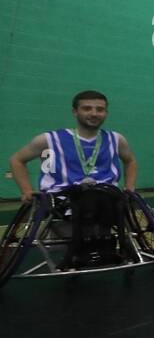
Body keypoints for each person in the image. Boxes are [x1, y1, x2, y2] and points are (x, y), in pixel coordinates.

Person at [8, 90, 139, 268]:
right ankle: (82, 249)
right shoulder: (49, 139)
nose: (94, 113)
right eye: (87, 108)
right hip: (64, 198)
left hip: (106, 196)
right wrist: (26, 190)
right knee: (87, 199)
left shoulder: (116, 139)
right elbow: (17, 160)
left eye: (99, 109)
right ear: (75, 111)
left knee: (105, 198)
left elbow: (130, 161)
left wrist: (130, 188)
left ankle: (101, 247)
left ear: (105, 113)